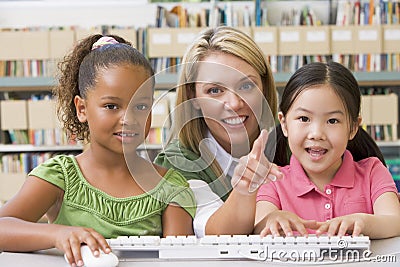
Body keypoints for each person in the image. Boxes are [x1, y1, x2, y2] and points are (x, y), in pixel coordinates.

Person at [0, 35, 196, 266]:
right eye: (111, 106)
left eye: (141, 106)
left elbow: (179, 261)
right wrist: (58, 235)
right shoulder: (59, 177)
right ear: (82, 109)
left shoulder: (171, 188)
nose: (128, 118)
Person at [154, 26, 283, 237]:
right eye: (215, 91)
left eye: (246, 86)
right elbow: (214, 232)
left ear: (264, 87)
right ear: (192, 96)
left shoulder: (294, 146)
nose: (234, 103)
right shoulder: (176, 164)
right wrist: (245, 188)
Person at [254, 61, 400, 239]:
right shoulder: (273, 180)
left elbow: (394, 221)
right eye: (304, 118)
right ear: (284, 124)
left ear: (353, 127)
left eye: (332, 121)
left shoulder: (372, 172)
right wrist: (273, 218)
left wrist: (362, 222)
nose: (316, 134)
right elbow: (257, 226)